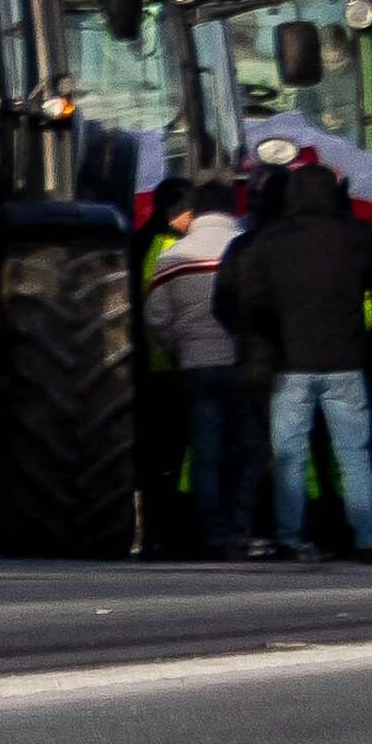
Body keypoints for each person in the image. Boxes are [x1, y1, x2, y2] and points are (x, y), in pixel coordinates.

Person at [222, 151, 372, 560]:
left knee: (290, 456)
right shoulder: (355, 237)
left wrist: (271, 335)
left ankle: (290, 537)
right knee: (354, 454)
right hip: (346, 360)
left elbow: (249, 302)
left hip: (290, 364)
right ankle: (368, 537)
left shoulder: (271, 242)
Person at [147, 187, 251, 555]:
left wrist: (179, 344)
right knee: (244, 450)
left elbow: (156, 317)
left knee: (205, 450)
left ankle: (211, 531)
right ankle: (240, 527)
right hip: (242, 365)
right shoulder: (246, 246)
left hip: (195, 365)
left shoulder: (172, 256)